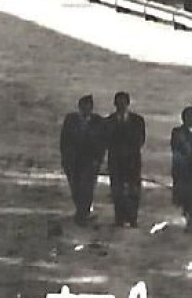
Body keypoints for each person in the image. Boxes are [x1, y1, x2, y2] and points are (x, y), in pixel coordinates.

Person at [103, 91, 146, 228]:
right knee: (117, 191)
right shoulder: (109, 121)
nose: (121, 106)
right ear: (115, 104)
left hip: (132, 160)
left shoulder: (138, 120)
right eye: (118, 103)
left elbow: (140, 140)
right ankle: (119, 218)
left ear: (127, 104)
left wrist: (128, 150)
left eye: (123, 103)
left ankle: (133, 218)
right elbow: (106, 141)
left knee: (133, 190)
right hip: (115, 161)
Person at [59, 95, 105, 224]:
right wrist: (65, 158)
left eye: (88, 108)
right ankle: (81, 211)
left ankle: (82, 213)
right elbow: (64, 140)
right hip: (73, 161)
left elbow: (102, 142)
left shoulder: (98, 122)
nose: (86, 110)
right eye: (83, 108)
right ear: (79, 107)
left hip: (90, 161)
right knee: (75, 187)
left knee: (87, 188)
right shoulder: (71, 120)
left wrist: (99, 159)